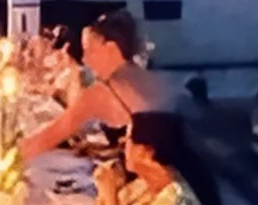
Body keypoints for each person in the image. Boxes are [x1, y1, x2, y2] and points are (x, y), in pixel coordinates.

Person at [21, 10, 169, 162]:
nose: (85, 59)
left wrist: (11, 157)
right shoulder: (154, 82)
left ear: (111, 48)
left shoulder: (98, 95)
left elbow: (48, 137)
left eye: (91, 50)